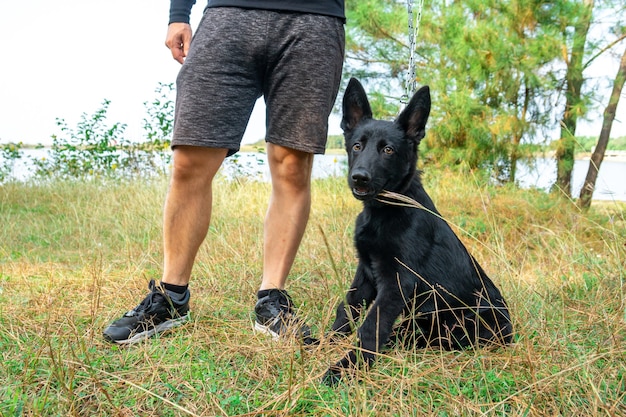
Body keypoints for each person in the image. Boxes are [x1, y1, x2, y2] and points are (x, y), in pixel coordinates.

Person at [102, 0, 345, 345]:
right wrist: (178, 15)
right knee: (190, 159)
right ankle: (171, 298)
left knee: (292, 165)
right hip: (228, 16)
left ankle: (271, 300)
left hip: (314, 20)